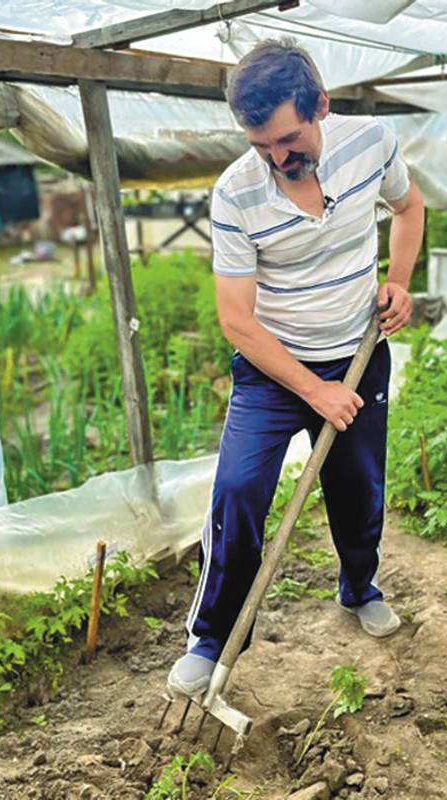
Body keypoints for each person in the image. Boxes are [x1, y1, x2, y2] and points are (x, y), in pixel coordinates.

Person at [167, 38, 425, 698]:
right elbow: (237, 320)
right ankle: (214, 635)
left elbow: (409, 206)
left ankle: (358, 587)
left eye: (287, 140)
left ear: (321, 108)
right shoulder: (236, 195)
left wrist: (398, 281)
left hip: (357, 350)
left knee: (359, 485)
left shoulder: (372, 143)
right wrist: (315, 390)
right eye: (261, 146)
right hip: (274, 369)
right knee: (238, 492)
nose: (278, 157)